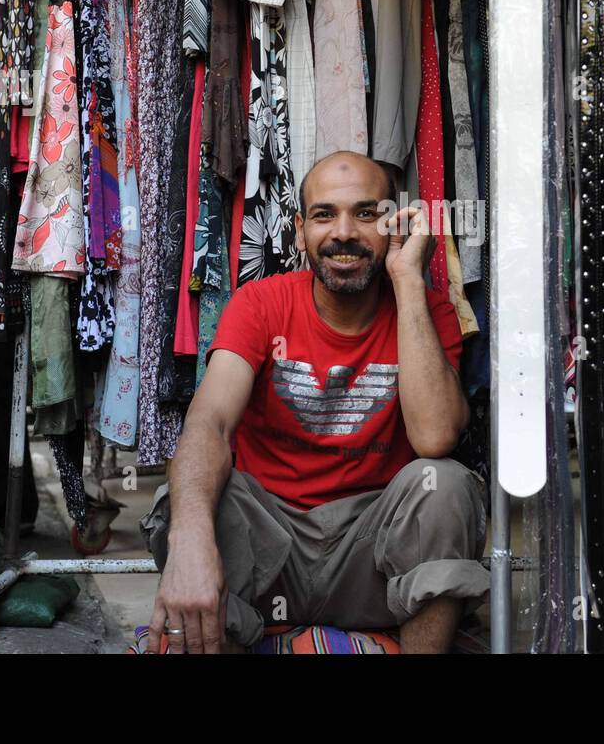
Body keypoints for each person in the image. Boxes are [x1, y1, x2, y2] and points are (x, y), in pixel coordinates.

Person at [144, 150, 488, 653]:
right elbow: (209, 422)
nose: (344, 233)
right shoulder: (260, 304)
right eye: (325, 215)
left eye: (366, 213)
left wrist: (409, 279)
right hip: (269, 562)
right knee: (191, 498)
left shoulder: (426, 309)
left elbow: (435, 436)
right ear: (301, 228)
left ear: (395, 223)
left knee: (445, 483)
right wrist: (189, 542)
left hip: (370, 563)